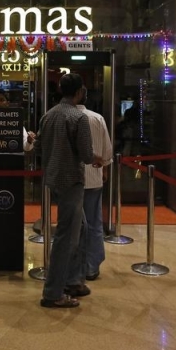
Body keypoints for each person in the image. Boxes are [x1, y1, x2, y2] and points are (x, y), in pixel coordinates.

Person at [34, 73, 104, 308]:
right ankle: (53, 293)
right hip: (72, 181)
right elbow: (85, 154)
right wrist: (97, 158)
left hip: (53, 180)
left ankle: (74, 280)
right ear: (79, 92)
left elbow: (39, 146)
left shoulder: (49, 115)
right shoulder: (78, 117)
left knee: (80, 228)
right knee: (66, 236)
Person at [76, 87, 113, 281]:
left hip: (71, 180)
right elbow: (106, 150)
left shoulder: (62, 116)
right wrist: (104, 168)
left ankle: (75, 267)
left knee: (73, 225)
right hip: (93, 177)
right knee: (94, 222)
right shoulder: (97, 118)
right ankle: (92, 266)